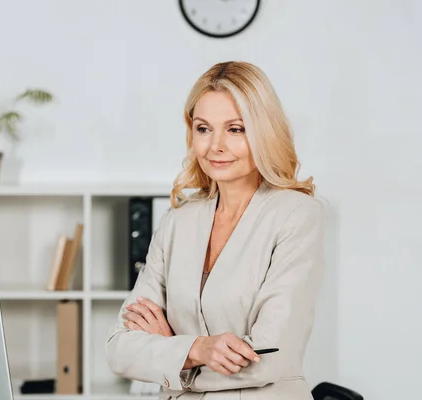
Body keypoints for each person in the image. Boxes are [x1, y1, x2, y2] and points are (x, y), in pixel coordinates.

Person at [105, 61, 325, 400]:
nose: (215, 146)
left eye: (235, 129)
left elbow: (270, 357)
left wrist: (172, 354)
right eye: (203, 128)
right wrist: (198, 349)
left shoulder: (295, 215)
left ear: (263, 132)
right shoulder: (179, 220)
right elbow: (119, 348)